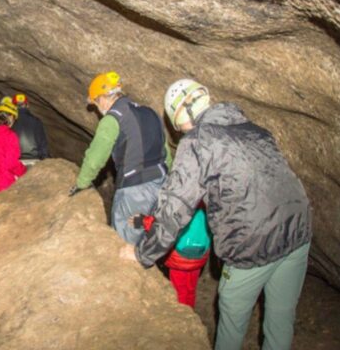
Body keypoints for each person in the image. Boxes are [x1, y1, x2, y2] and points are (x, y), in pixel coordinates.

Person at [120, 79, 312, 350]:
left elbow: (175, 206)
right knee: (280, 319)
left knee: (233, 321)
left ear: (180, 117)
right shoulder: (256, 130)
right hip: (299, 231)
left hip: (252, 242)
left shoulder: (198, 141)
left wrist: (142, 254)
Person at [69, 71, 170, 246]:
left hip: (136, 189)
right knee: (150, 238)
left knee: (124, 242)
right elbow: (166, 152)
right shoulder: (150, 112)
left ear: (102, 98)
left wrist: (81, 183)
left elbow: (95, 157)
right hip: (162, 183)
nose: (97, 109)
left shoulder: (112, 119)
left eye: (96, 102)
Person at [11, 93, 49, 167]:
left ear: (13, 106)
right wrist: (44, 160)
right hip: (34, 161)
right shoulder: (36, 121)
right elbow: (42, 143)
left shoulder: (10, 122)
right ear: (27, 105)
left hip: (16, 162)